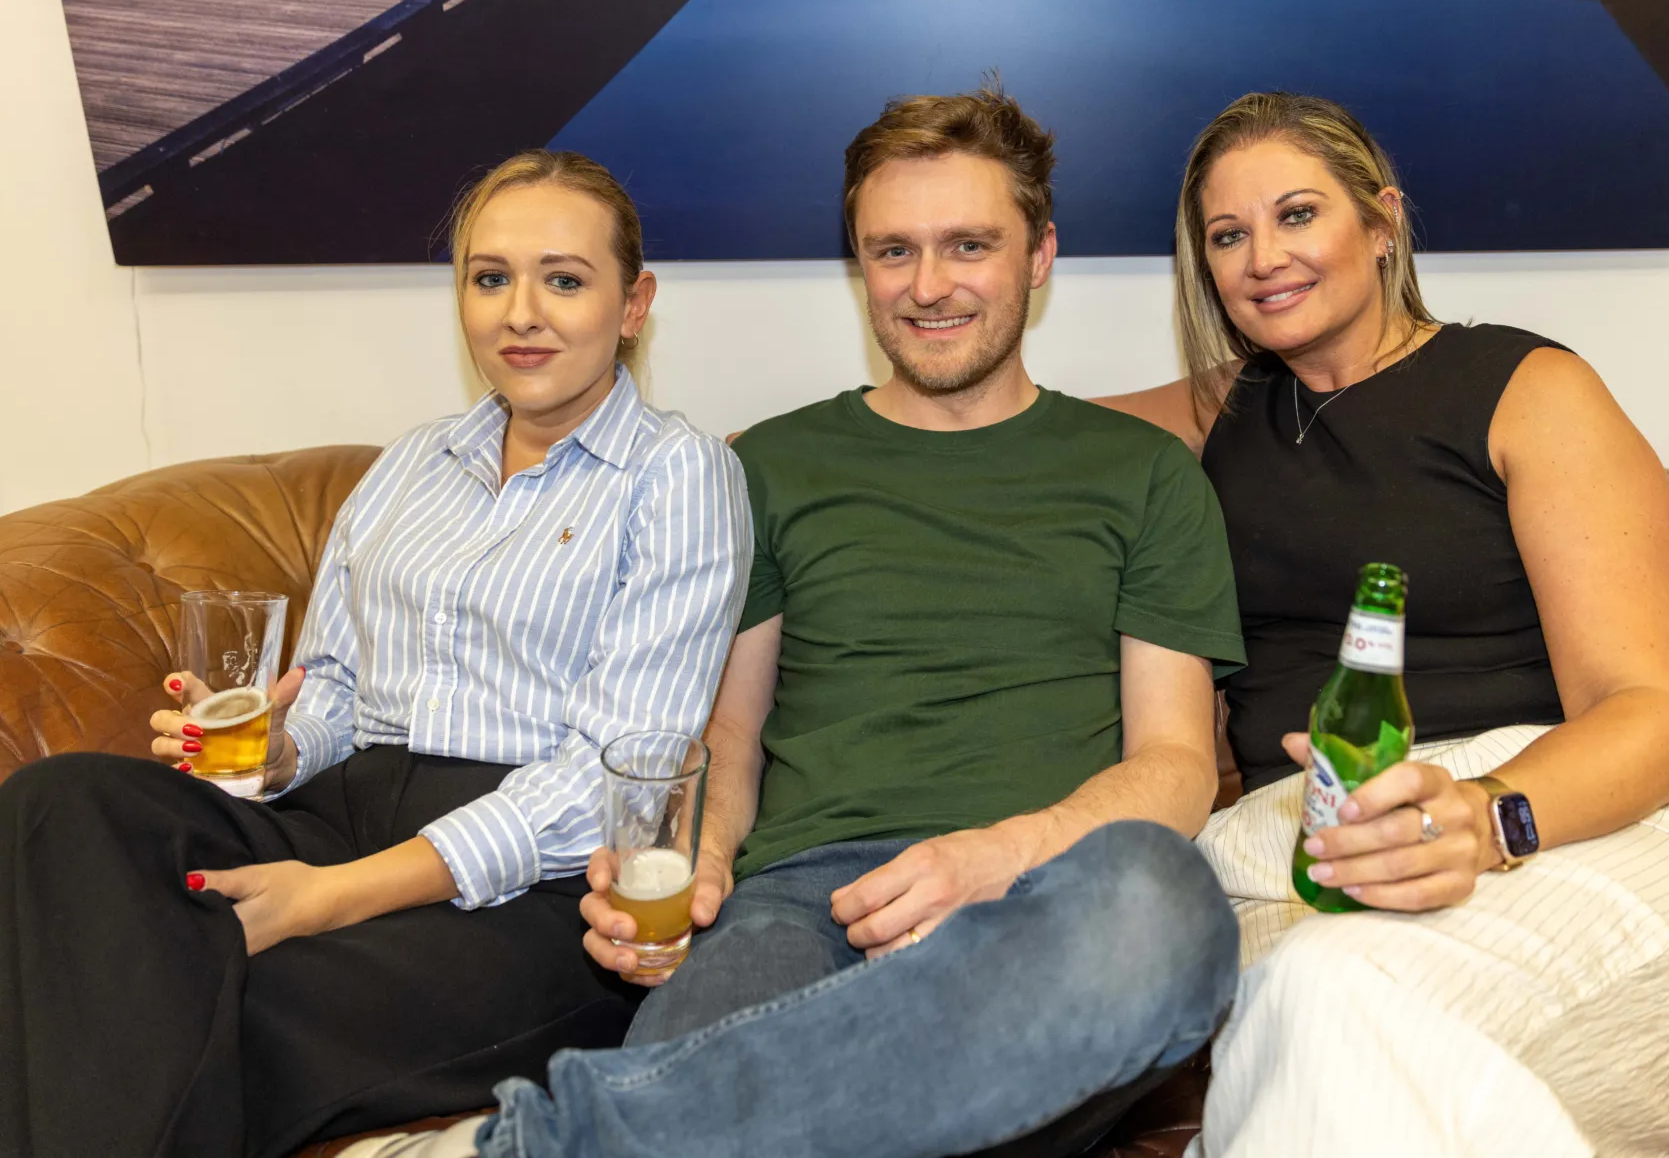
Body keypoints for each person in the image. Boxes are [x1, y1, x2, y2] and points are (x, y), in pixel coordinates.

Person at [348, 83, 1245, 1158]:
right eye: (892, 251)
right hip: (798, 906)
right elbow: (728, 735)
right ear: (859, 265)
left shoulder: (1143, 472)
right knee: (737, 1033)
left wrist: (994, 858)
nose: (927, 285)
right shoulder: (768, 467)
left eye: (968, 245)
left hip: (1037, 902)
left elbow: (1175, 766)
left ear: (1039, 255)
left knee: (1165, 907)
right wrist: (695, 866)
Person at [0, 150, 751, 1158]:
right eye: (490, 278)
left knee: (201, 995)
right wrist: (279, 749)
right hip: (336, 817)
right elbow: (335, 689)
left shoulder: (677, 474)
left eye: (564, 280)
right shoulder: (412, 464)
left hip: (529, 892)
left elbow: (609, 773)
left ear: (633, 304)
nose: (521, 313)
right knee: (59, 802)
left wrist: (331, 898)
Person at [1102, 92, 1669, 1157]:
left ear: (1381, 223)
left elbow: (1647, 710)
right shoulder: (1211, 416)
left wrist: (1487, 816)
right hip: (1296, 854)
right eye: (1226, 236)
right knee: (1316, 1014)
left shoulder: (1525, 390)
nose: (1261, 258)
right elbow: (994, 428)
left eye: (1296, 214)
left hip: (1570, 824)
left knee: (1325, 1008)